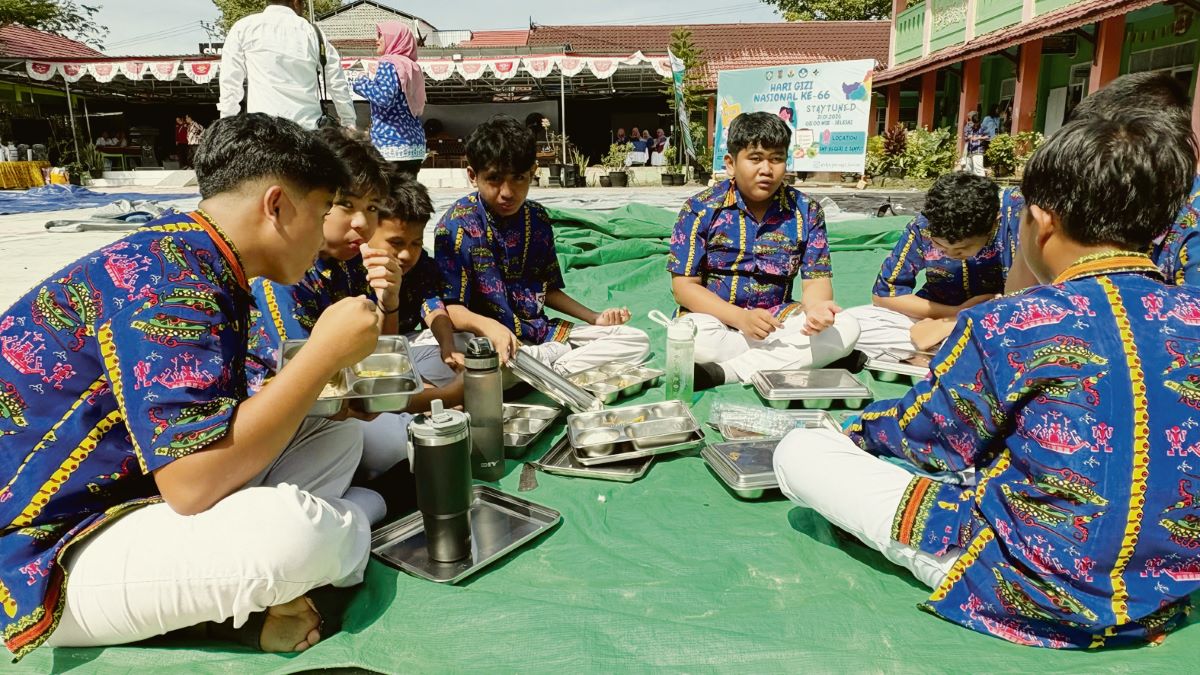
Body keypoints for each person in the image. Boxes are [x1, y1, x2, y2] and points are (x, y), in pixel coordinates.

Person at [775, 110, 1200, 648]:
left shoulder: (1009, 324)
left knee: (800, 453)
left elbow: (925, 436)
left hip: (1027, 585)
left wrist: (848, 432)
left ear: (1040, 220)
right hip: (1166, 589)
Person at [0, 113, 379, 660]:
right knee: (297, 535)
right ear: (276, 206)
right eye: (322, 213)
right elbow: (192, 484)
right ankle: (310, 565)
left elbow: (213, 427)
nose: (325, 234)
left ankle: (293, 576)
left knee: (333, 437)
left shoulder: (193, 257)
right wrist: (321, 355)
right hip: (45, 552)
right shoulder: (167, 282)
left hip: (130, 498)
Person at [435, 115, 650, 375]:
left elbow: (546, 289)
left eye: (518, 178)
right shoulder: (455, 226)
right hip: (482, 341)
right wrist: (490, 328)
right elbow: (449, 307)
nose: (507, 192)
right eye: (494, 179)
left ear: (533, 172)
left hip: (538, 335)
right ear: (473, 175)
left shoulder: (536, 218)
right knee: (452, 359)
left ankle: (540, 370)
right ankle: (545, 369)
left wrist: (594, 318)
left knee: (635, 340)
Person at [668, 112, 860, 390]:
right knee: (693, 339)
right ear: (731, 164)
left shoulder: (806, 211)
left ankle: (727, 373)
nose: (767, 170)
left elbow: (817, 282)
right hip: (716, 323)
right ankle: (797, 358)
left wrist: (818, 311)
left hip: (779, 323)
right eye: (756, 159)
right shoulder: (699, 209)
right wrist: (740, 319)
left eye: (777, 159)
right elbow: (684, 288)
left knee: (848, 327)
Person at [844, 173, 1024, 358]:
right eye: (940, 247)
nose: (952, 255)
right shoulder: (922, 226)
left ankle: (931, 351)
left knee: (1012, 339)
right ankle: (944, 351)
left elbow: (1035, 299)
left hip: (998, 318)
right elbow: (885, 295)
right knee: (852, 325)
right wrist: (954, 313)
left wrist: (958, 321)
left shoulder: (1017, 222)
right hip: (934, 316)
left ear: (994, 223)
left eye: (963, 249)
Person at [359, 172, 466, 480]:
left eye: (415, 243)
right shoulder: (353, 272)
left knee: (460, 348)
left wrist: (447, 346)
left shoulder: (418, 266)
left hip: (402, 345)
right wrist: (443, 395)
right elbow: (373, 364)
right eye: (395, 243)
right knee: (393, 442)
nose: (406, 254)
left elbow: (431, 304)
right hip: (371, 364)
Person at [218, 0, 355, 130]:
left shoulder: (243, 28)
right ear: (296, 2)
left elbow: (230, 84)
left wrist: (226, 124)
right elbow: (336, 82)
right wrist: (349, 123)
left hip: (263, 134)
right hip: (308, 132)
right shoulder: (313, 32)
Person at [352, 22, 428, 177]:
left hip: (390, 144)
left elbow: (384, 97)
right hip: (414, 145)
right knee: (408, 195)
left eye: (381, 36)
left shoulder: (389, 63)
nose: (377, 40)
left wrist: (361, 83)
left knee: (389, 197)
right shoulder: (412, 66)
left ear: (394, 39)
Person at [961, 111, 986, 176]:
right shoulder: (968, 126)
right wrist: (969, 137)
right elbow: (966, 138)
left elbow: (988, 136)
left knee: (978, 169)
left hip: (978, 150)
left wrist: (978, 138)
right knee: (969, 169)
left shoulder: (982, 127)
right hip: (970, 150)